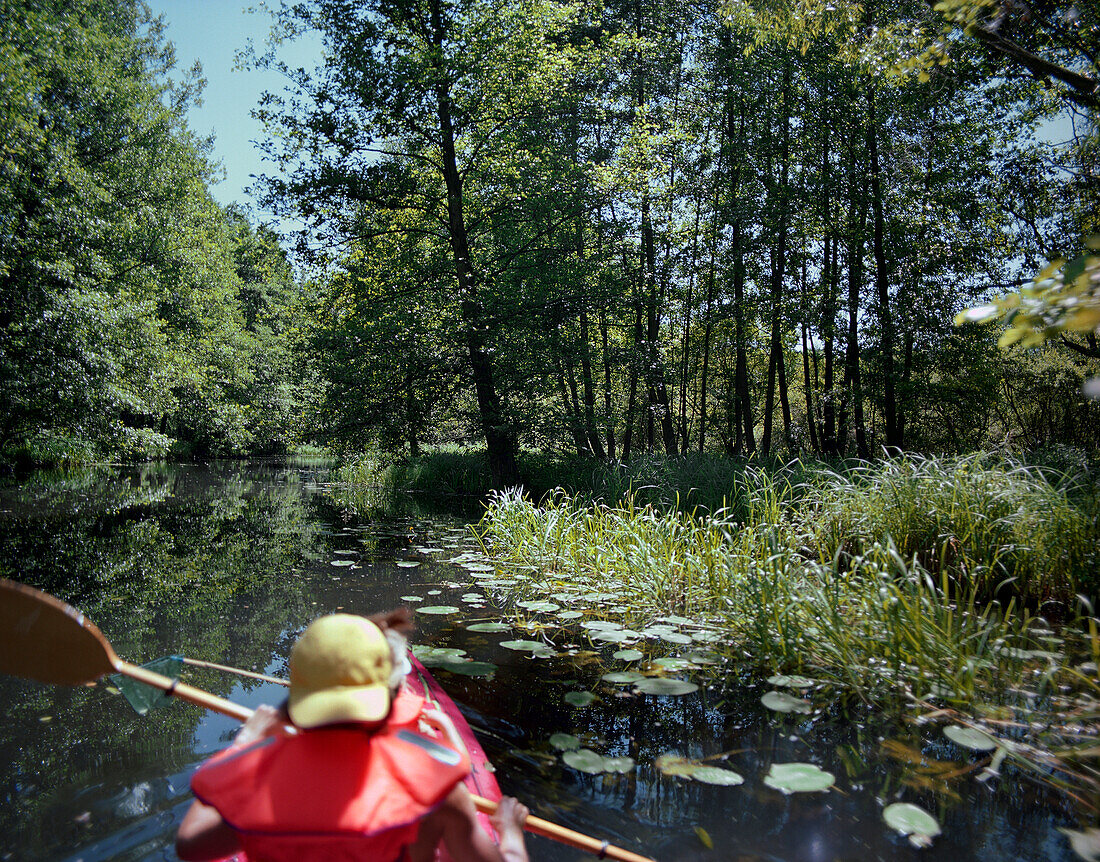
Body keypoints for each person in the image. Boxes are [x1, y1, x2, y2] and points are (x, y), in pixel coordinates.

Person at [176, 610, 530, 862]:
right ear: (391, 699)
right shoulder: (437, 791)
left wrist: (247, 744)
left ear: (293, 699)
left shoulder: (254, 784)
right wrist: (511, 832)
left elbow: (190, 846)